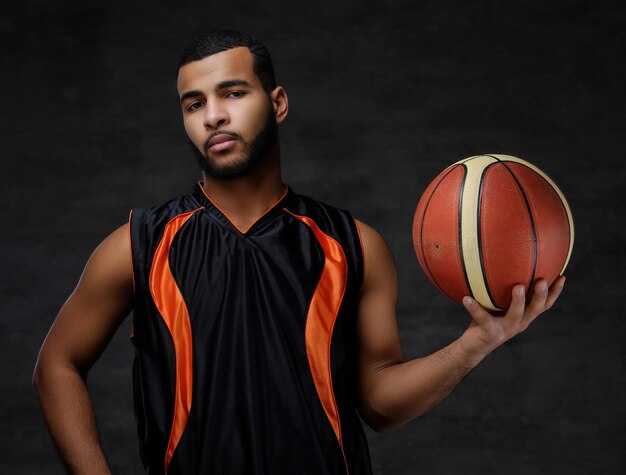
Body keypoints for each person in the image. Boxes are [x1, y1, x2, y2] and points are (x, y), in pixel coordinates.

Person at [32, 29, 565, 475]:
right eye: (194, 104)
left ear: (278, 102)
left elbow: (379, 402)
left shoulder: (354, 244)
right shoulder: (138, 243)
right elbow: (57, 363)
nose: (213, 115)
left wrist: (475, 344)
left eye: (233, 93)